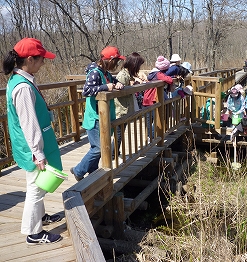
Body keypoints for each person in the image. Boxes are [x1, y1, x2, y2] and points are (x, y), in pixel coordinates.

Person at [3, 37, 63, 244]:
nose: (43, 62)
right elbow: (29, 123)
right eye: (41, 59)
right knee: (35, 189)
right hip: (31, 146)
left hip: (29, 143)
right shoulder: (23, 87)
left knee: (38, 184)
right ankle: (33, 233)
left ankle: (41, 216)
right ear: (29, 59)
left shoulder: (21, 78)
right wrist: (38, 153)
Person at [70, 46, 125, 181]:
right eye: (116, 61)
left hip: (103, 116)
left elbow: (113, 81)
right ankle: (78, 170)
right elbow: (86, 91)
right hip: (94, 117)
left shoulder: (105, 73)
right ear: (109, 60)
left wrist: (117, 84)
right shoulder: (95, 72)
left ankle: (93, 171)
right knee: (98, 148)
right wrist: (105, 87)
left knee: (98, 147)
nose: (117, 64)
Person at [114, 52, 145, 156]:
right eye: (139, 65)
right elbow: (119, 93)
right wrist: (132, 88)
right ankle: (113, 153)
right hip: (121, 109)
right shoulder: (123, 75)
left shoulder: (128, 74)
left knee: (121, 131)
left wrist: (134, 84)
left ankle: (115, 151)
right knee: (119, 132)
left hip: (125, 108)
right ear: (134, 64)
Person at [143, 56, 174, 139]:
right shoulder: (158, 74)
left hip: (147, 98)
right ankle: (152, 136)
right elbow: (169, 80)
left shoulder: (152, 73)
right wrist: (170, 78)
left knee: (150, 119)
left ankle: (150, 136)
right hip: (153, 98)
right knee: (156, 118)